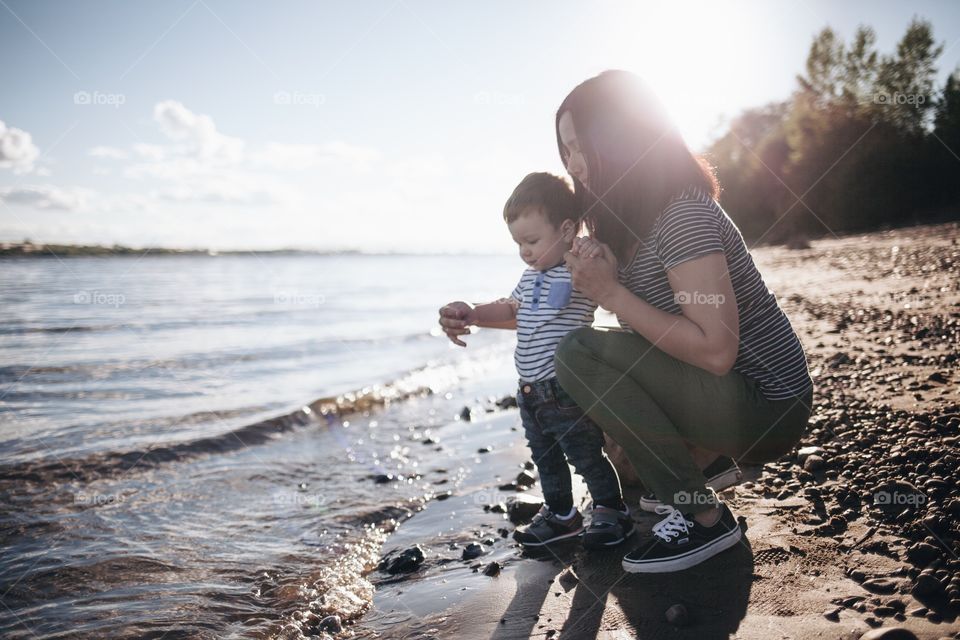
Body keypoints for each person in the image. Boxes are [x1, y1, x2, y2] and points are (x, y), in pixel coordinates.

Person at [552, 70, 814, 573]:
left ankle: (705, 519)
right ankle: (710, 463)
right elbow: (645, 333)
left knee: (578, 354)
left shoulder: (682, 214)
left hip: (769, 402)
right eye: (565, 151)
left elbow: (717, 350)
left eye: (580, 145)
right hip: (730, 396)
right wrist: (477, 316)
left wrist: (611, 293)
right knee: (627, 467)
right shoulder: (630, 223)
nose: (574, 164)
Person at [438, 172, 634, 549]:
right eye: (518, 244)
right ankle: (562, 515)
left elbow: (606, 266)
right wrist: (472, 311)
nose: (525, 252)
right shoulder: (529, 278)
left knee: (585, 454)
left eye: (531, 241)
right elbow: (510, 308)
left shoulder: (579, 264)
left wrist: (588, 247)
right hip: (529, 390)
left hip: (565, 387)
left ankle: (612, 510)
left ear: (565, 230)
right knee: (545, 458)